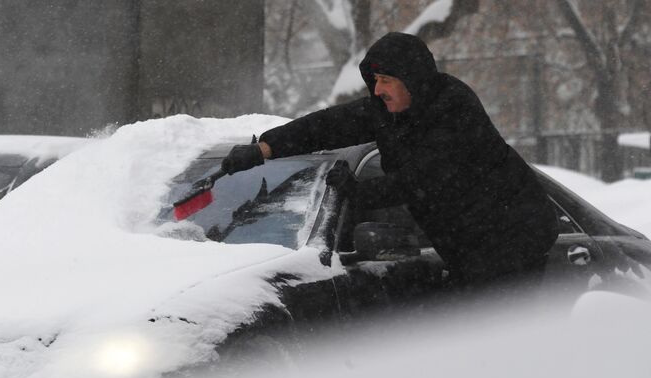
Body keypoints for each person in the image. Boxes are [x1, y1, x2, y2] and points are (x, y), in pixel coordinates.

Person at [221, 32, 558, 287]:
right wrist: (265, 149)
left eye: (387, 80)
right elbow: (327, 125)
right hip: (467, 249)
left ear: (413, 81)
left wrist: (359, 193)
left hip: (513, 240)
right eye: (375, 81)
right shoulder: (387, 110)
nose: (378, 89)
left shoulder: (454, 109)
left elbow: (427, 179)